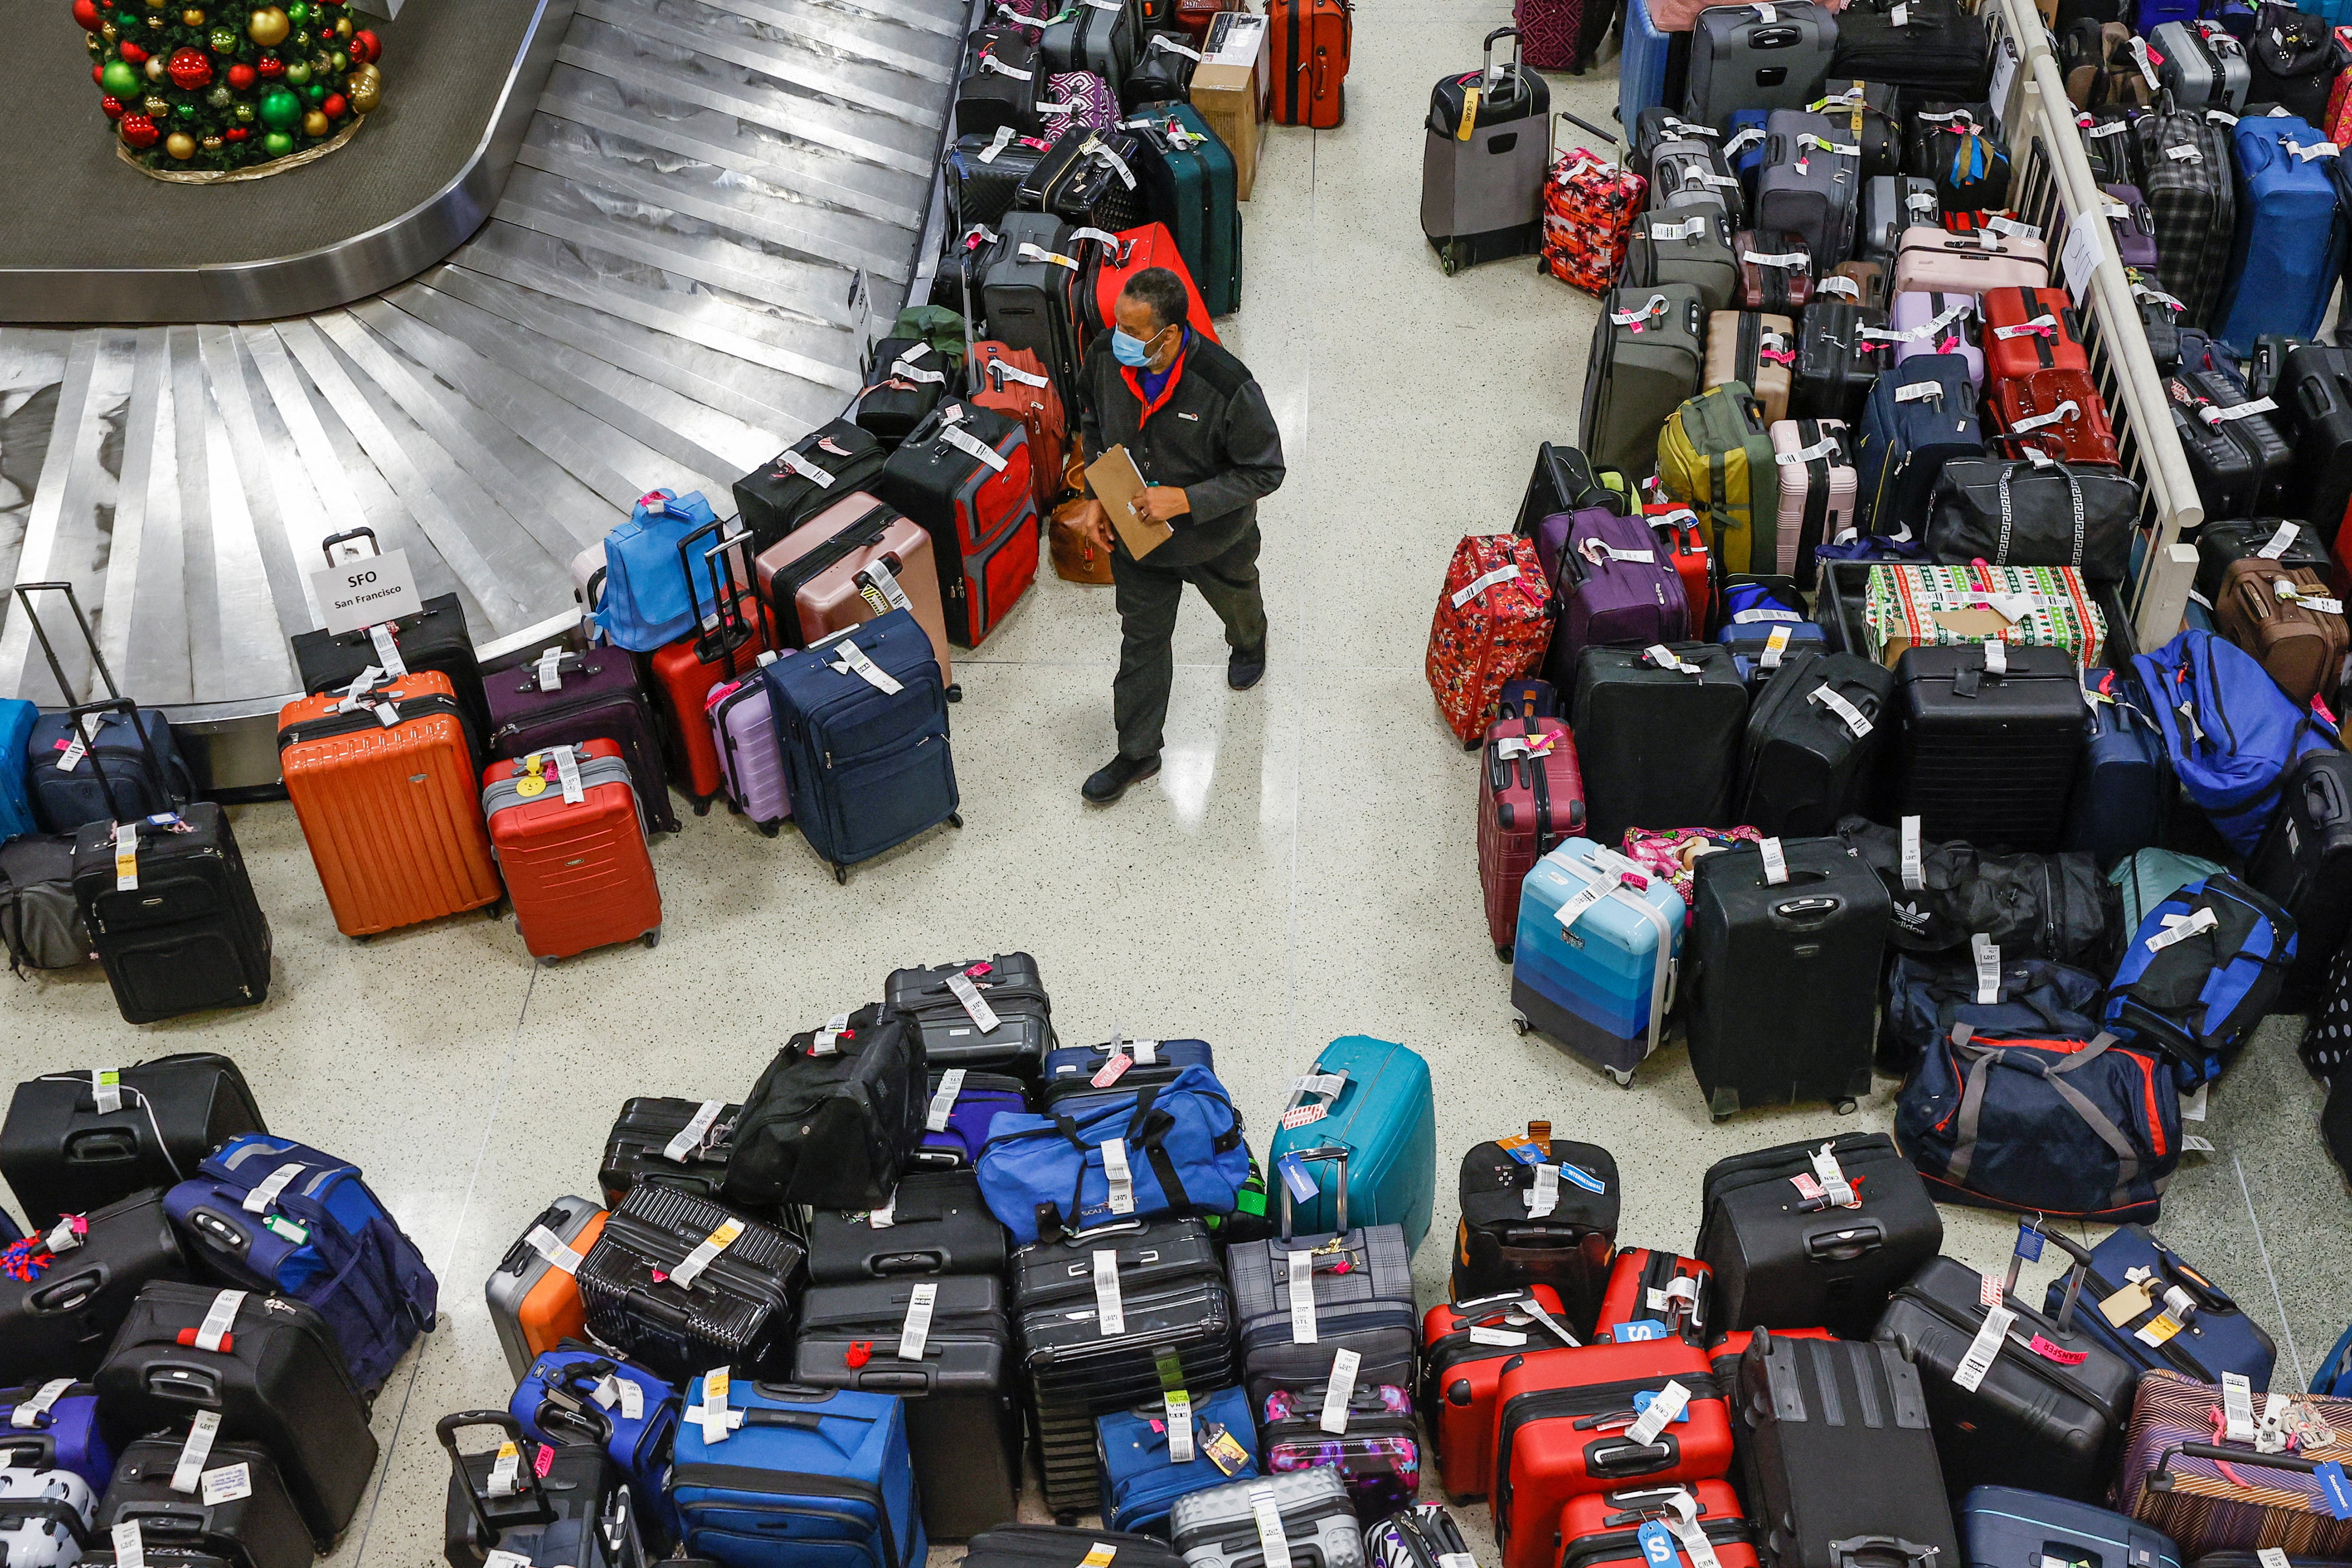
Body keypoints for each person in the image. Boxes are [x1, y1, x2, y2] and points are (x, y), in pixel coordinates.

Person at [1071, 267, 1286, 804]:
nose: (1117, 336)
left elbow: (1265, 471)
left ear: (1169, 335)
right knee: (1141, 642)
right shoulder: (1104, 357)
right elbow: (1092, 417)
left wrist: (1187, 500)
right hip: (1139, 540)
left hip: (1217, 540)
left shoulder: (1224, 383)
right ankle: (1138, 751)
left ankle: (1250, 640)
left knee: (1238, 602)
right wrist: (1098, 490)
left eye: (1133, 330)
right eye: (1116, 323)